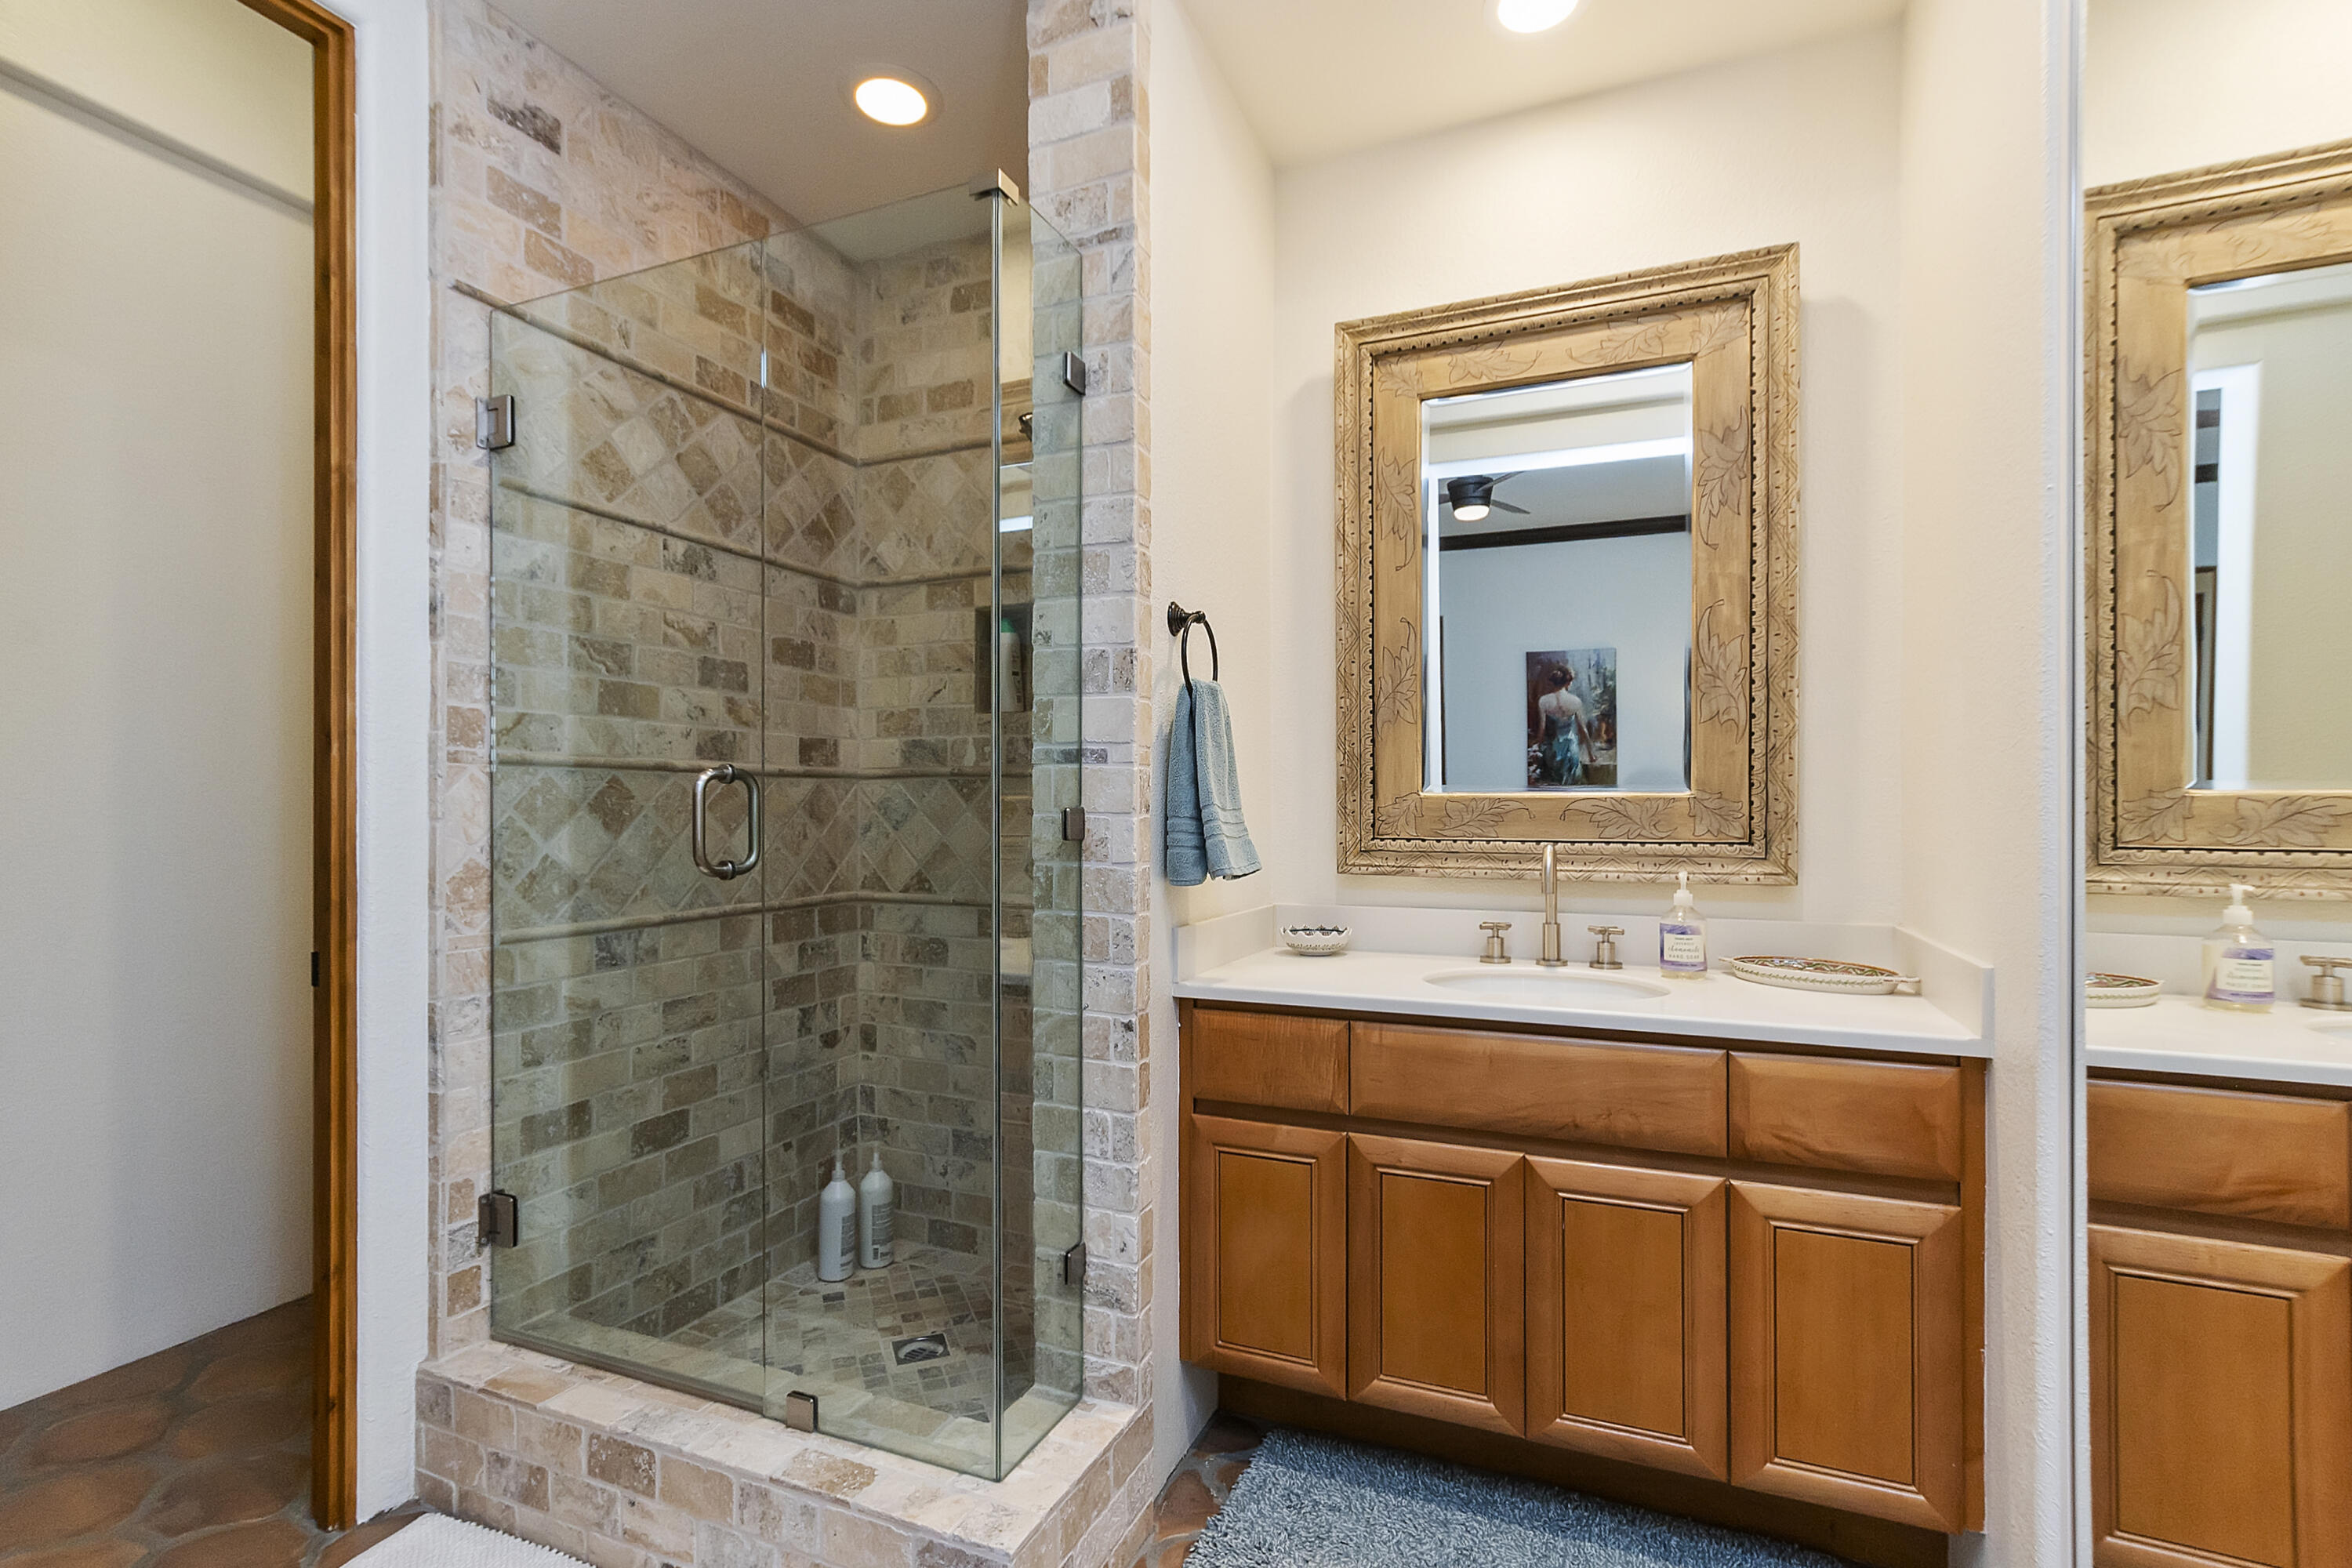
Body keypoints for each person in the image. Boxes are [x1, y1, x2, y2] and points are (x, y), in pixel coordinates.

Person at [1534, 662, 1590, 786]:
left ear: (1553, 682)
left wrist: (1537, 746)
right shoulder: (1576, 701)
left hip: (1552, 750)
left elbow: (1542, 729)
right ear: (1568, 682)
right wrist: (1591, 755)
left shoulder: (1544, 701)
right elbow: (1583, 730)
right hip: (1570, 748)